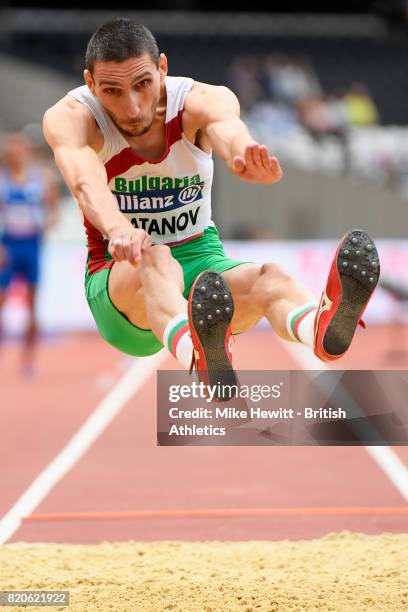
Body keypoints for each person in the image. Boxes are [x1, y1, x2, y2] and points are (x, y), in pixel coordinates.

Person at [42, 18, 380, 398]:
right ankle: (199, 355)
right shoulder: (72, 118)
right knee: (155, 259)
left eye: (142, 84)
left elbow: (229, 131)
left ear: (163, 69)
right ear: (89, 83)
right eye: (111, 91)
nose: (132, 107)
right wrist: (118, 228)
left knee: (271, 278)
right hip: (121, 278)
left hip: (202, 264)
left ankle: (317, 328)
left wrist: (244, 157)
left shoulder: (201, 100)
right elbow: (84, 181)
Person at [0, 131, 59, 374]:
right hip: (8, 244)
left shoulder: (41, 178)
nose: (17, 153)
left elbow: (53, 211)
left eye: (21, 148)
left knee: (32, 304)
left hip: (32, 244)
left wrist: (45, 224)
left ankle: (28, 359)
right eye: (12, 149)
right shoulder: (2, 179)